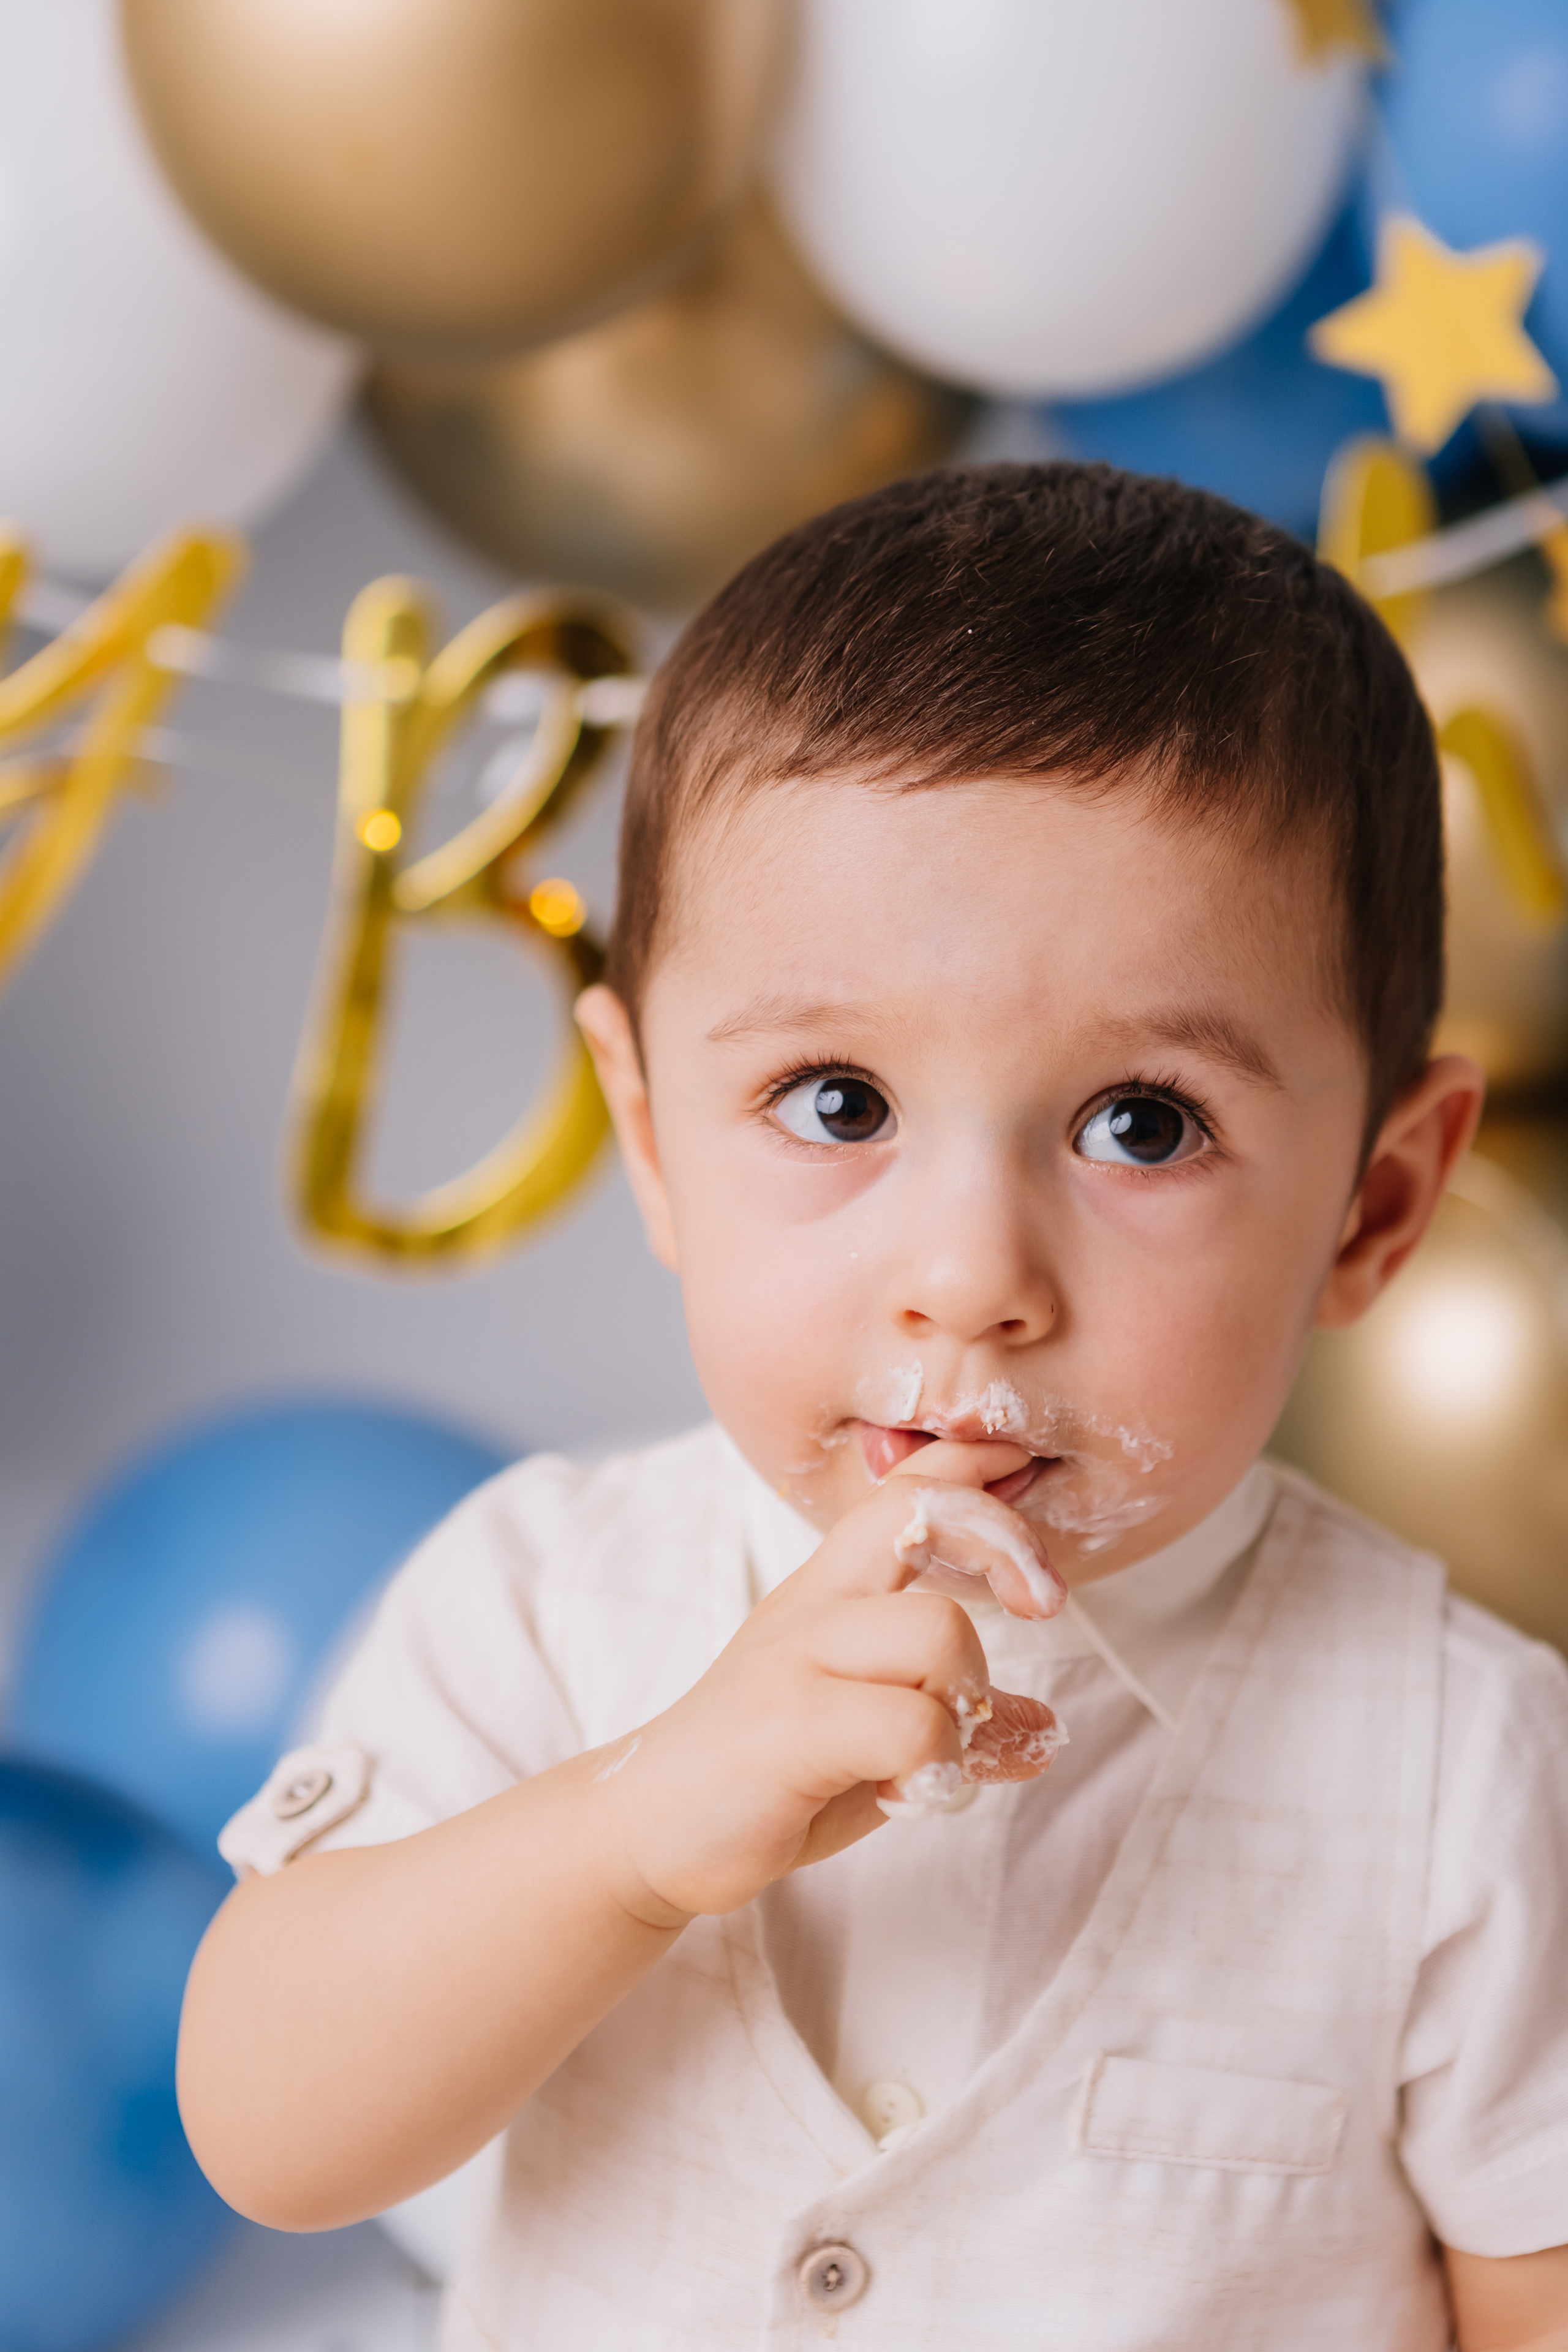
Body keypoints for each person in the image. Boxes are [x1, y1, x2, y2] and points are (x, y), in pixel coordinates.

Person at [180, 464, 1568, 2351]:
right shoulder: (541, 1604)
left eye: (1141, 1125)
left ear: (1376, 1205)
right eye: (839, 1102)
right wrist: (626, 1836)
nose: (968, 1269)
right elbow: (273, 2132)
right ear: (654, 1139)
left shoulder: (1464, 1771)